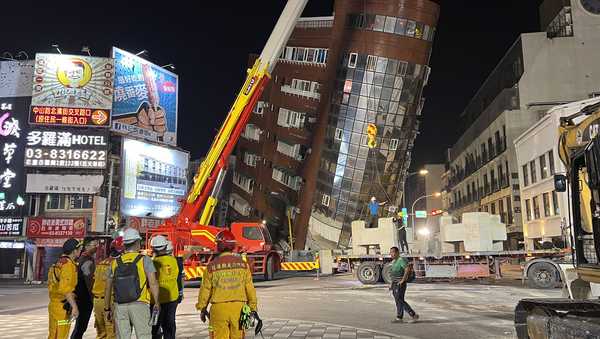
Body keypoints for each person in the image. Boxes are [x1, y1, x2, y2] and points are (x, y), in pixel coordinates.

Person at [196, 230, 259, 339]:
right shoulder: (243, 265)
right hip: (239, 309)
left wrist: (202, 308)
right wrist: (252, 308)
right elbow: (250, 289)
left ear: (218, 246)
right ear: (233, 245)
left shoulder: (211, 266)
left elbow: (205, 290)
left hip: (218, 310)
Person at [104, 228, 161, 339]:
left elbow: (108, 288)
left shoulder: (115, 262)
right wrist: (157, 302)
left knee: (122, 336)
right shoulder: (145, 260)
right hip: (140, 304)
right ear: (137, 243)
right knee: (143, 336)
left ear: (124, 244)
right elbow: (153, 283)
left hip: (120, 305)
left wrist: (107, 308)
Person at [48, 238, 82, 339]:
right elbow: (65, 289)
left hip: (56, 305)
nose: (80, 251)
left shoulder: (58, 262)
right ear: (74, 250)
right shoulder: (68, 265)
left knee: (54, 334)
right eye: (79, 249)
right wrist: (74, 307)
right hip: (61, 308)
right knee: (60, 335)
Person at [150, 236, 183, 339]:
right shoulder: (174, 261)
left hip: (155, 301)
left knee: (155, 326)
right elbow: (178, 279)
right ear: (165, 247)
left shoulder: (150, 263)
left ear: (153, 248)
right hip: (171, 299)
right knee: (169, 325)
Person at [92, 237, 124, 339]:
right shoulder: (117, 265)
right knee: (111, 333)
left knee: (101, 333)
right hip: (109, 302)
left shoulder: (100, 263)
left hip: (97, 302)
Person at [71, 237, 98, 339]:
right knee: (81, 327)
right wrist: (93, 298)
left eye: (96, 245)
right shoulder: (87, 261)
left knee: (80, 326)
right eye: (94, 245)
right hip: (84, 298)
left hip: (80, 296)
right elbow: (90, 282)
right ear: (86, 246)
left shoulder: (81, 259)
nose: (96, 247)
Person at [389, 246, 419, 323]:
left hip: (400, 283)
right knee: (397, 300)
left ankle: (413, 314)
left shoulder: (401, 260)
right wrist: (391, 284)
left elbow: (407, 269)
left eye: (393, 252)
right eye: (390, 252)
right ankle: (399, 317)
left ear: (397, 252)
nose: (391, 254)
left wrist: (403, 280)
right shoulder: (394, 261)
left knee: (400, 300)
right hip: (395, 283)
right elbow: (392, 274)